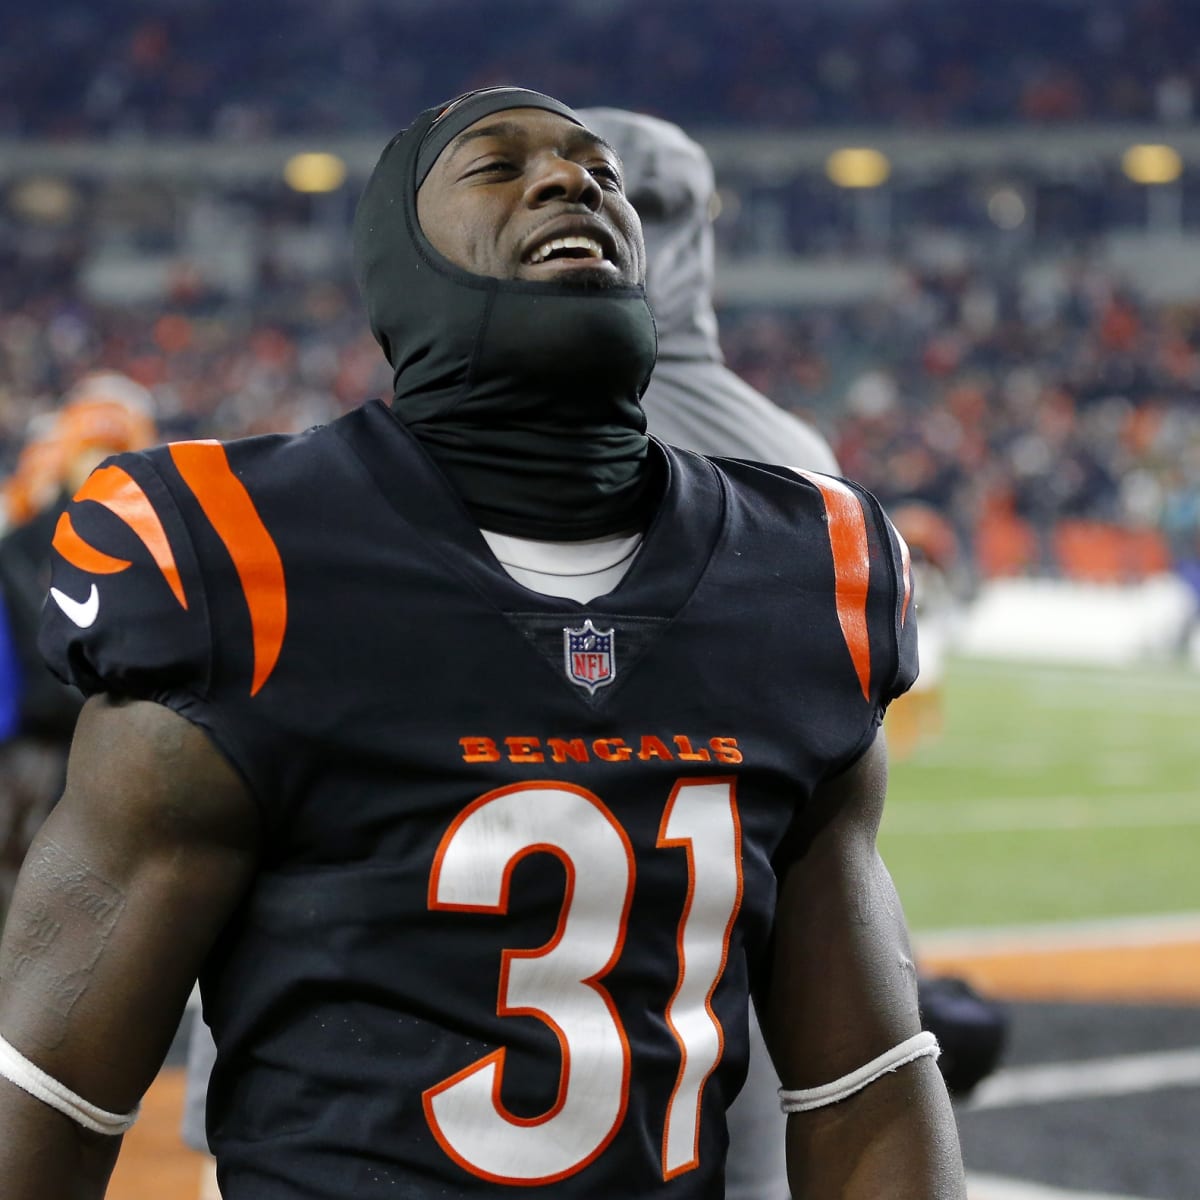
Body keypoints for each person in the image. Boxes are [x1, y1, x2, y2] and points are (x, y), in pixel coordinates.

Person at [0, 87, 965, 1198]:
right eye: (498, 164)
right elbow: (51, 1092)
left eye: (597, 169)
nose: (572, 181)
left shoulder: (804, 566)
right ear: (400, 257)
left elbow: (868, 1083)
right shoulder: (243, 564)